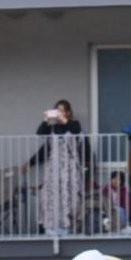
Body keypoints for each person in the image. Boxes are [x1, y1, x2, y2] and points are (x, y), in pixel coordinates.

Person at [33, 100, 85, 236]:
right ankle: (52, 226)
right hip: (54, 167)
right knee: (50, 196)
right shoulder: (52, 127)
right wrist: (45, 121)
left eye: (61, 110)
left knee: (70, 196)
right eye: (57, 110)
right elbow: (39, 133)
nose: (59, 113)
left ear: (68, 112)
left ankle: (70, 226)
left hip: (70, 168)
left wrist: (64, 120)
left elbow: (77, 132)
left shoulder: (74, 124)